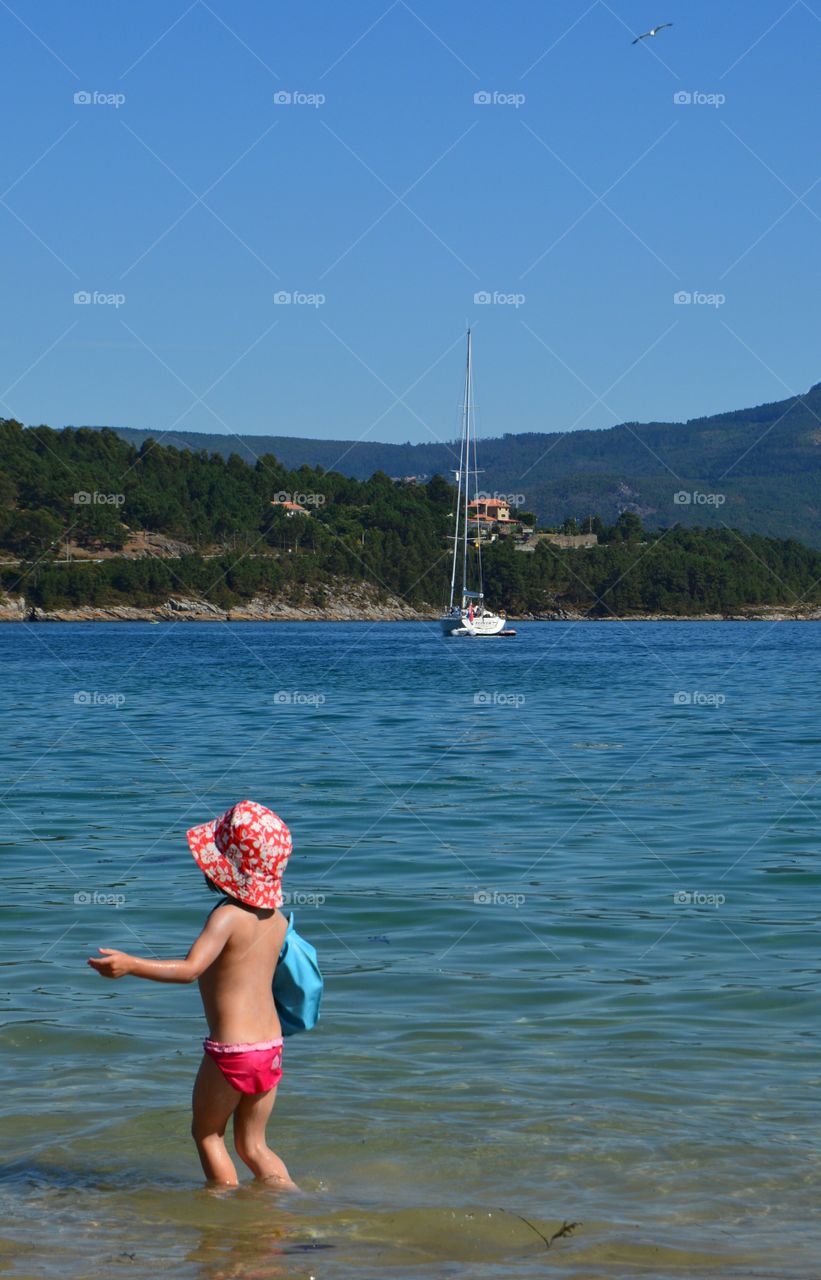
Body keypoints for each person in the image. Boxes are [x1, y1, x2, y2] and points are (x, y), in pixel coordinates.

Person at [87, 800, 297, 1190]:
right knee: (254, 1145)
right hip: (270, 1047)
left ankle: (221, 1220)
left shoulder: (227, 916)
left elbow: (190, 970)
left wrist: (131, 964)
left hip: (233, 1051)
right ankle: (297, 1209)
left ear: (223, 868)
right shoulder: (278, 919)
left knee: (207, 1135)